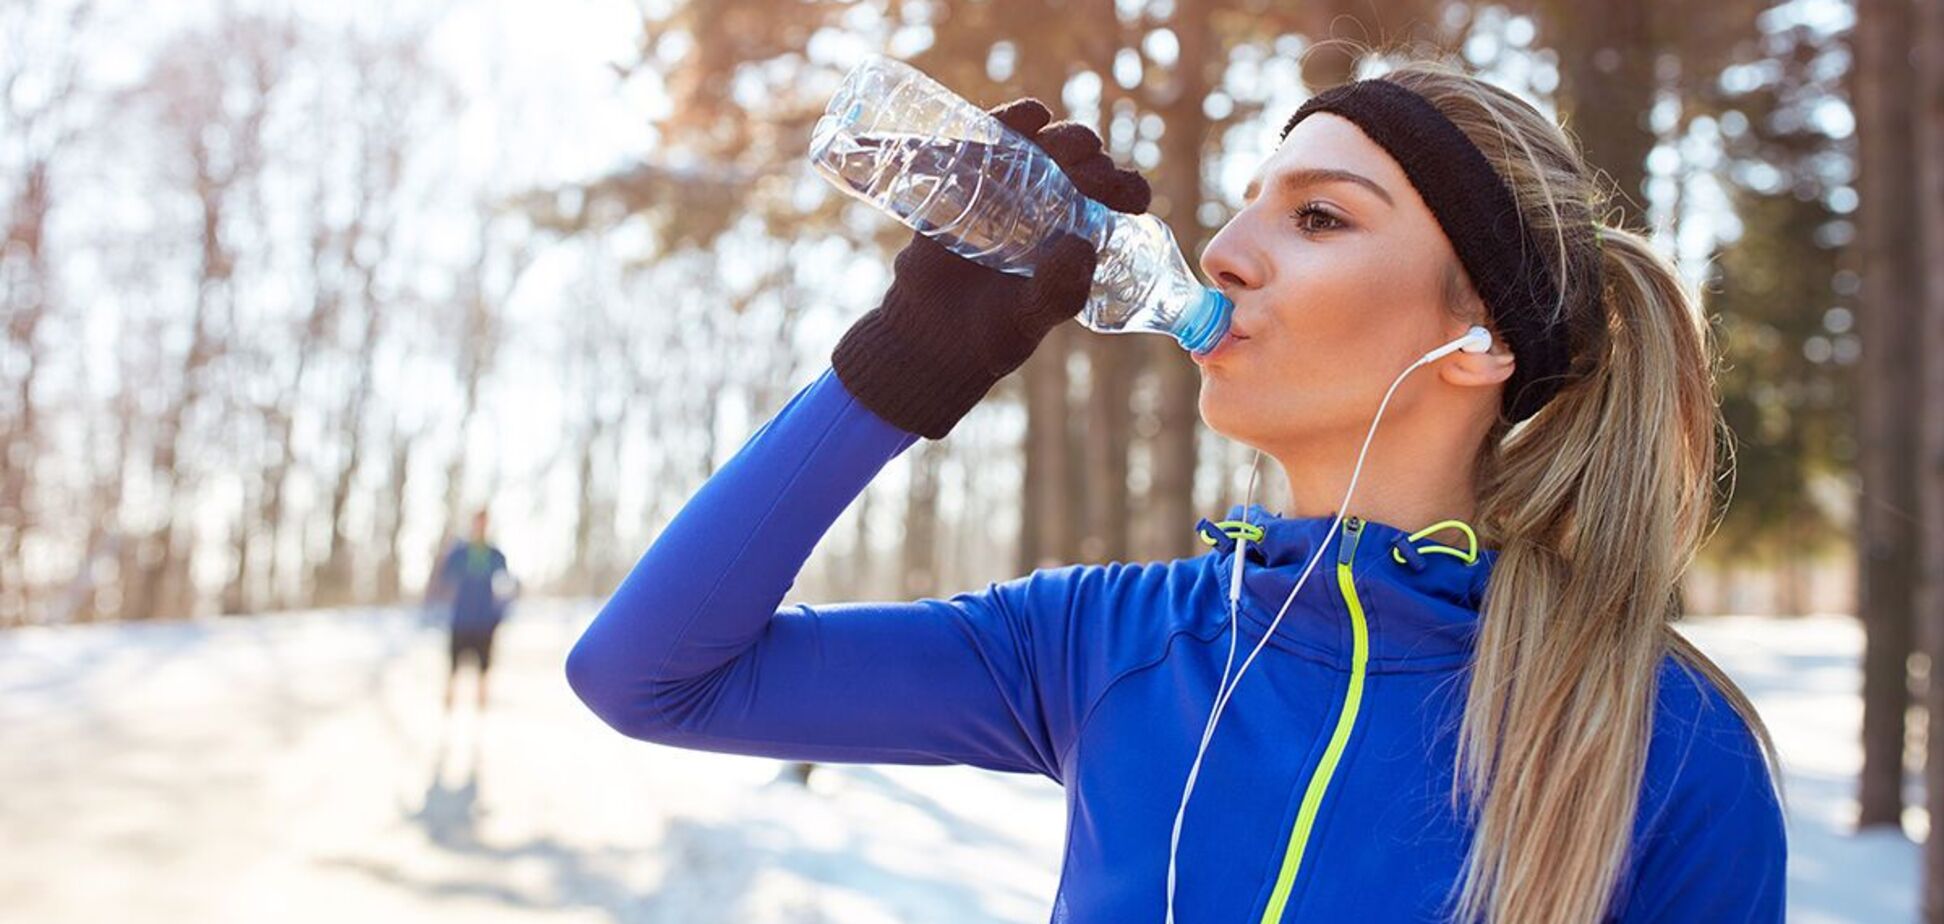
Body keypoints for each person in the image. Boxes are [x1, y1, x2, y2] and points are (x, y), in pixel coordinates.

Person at [566, 56, 1787, 923]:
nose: (1225, 249)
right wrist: (899, 371)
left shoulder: (1661, 745)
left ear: (1479, 341)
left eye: (1318, 217)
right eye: (1253, 198)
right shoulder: (1107, 644)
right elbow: (652, 676)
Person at [433, 508, 517, 713]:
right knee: (452, 673)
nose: (481, 526)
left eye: (484, 522)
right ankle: (446, 722)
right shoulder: (458, 553)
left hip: (484, 623)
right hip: (461, 621)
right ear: (472, 524)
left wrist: (499, 614)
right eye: (478, 522)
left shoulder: (496, 555)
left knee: (484, 675)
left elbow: (506, 586)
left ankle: (480, 726)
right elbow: (444, 580)